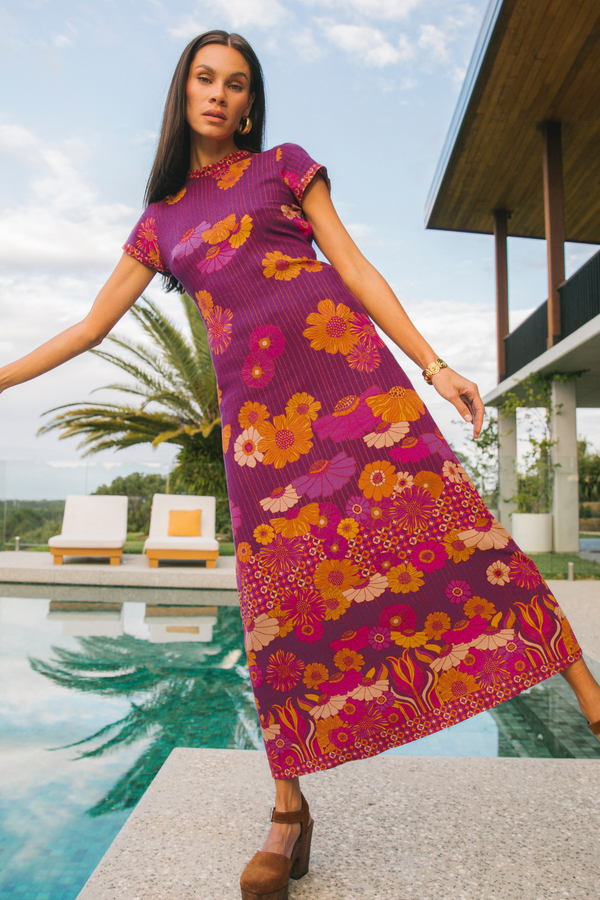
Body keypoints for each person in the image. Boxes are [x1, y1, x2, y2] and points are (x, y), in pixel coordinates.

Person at [1, 29, 599, 900]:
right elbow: (92, 326)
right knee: (279, 607)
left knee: (457, 535)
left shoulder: (284, 164)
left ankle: (587, 697)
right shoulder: (160, 220)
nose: (219, 94)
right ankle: (289, 811)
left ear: (251, 101)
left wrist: (435, 367)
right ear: (183, 92)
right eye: (205, 79)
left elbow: (351, 267)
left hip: (352, 384)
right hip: (263, 434)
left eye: (236, 83)